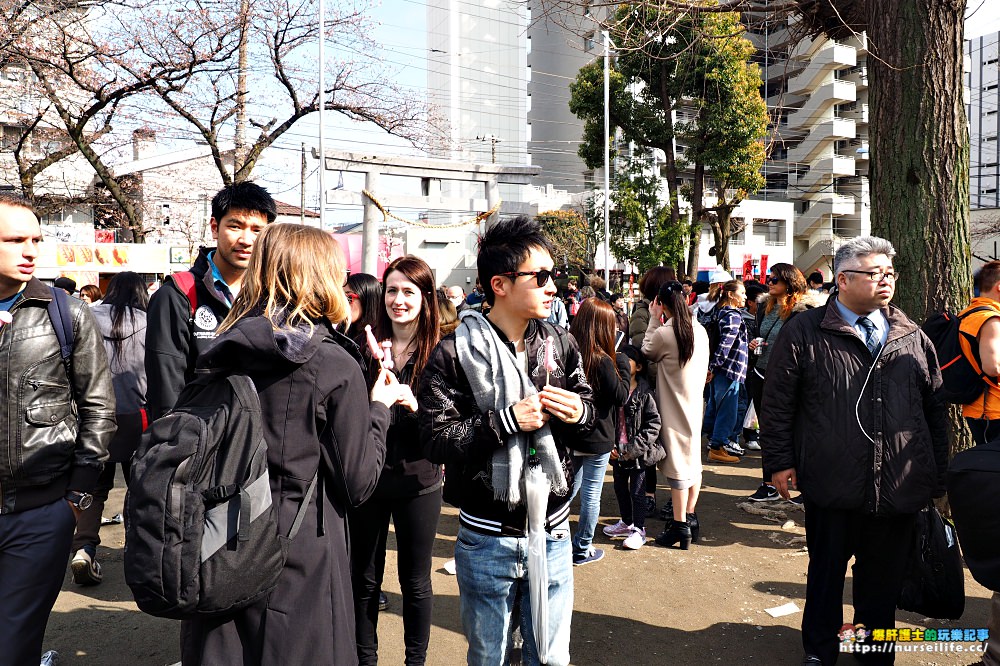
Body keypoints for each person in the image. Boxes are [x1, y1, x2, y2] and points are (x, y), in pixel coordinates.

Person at [180, 223, 409, 665]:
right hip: (298, 550)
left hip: (221, 536)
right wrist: (379, 408)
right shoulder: (330, 362)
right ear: (320, 278)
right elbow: (358, 482)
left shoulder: (222, 348)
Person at [760, 236, 948, 666]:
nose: (886, 281)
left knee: (880, 584)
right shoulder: (805, 332)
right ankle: (820, 650)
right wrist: (779, 461)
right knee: (826, 577)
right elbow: (777, 404)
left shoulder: (911, 335)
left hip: (897, 487)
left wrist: (936, 476)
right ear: (843, 280)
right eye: (875, 273)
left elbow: (933, 410)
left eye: (890, 274)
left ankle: (873, 653)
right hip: (831, 482)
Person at [419, 216, 595, 666]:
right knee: (488, 656)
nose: (552, 286)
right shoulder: (454, 352)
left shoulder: (559, 341)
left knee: (551, 657)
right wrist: (504, 422)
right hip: (487, 538)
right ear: (499, 284)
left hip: (553, 531)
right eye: (540, 277)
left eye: (554, 275)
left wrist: (580, 412)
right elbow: (436, 439)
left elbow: (591, 413)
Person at [0, 193, 116, 665]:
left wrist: (77, 497)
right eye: (14, 239)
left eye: (36, 239)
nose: (30, 250)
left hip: (40, 510)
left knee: (13, 647)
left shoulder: (64, 312)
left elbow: (98, 407)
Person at [351, 255, 442, 666]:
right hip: (368, 477)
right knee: (364, 580)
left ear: (426, 297)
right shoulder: (362, 345)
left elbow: (453, 422)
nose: (398, 300)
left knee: (415, 581)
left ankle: (415, 662)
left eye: (409, 291)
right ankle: (364, 659)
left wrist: (416, 405)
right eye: (391, 290)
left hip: (419, 480)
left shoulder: (442, 351)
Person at [145, 181, 276, 418]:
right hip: (198, 441)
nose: (246, 240)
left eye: (257, 230)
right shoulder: (177, 295)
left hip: (257, 442)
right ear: (215, 227)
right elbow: (165, 393)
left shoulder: (271, 297)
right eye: (235, 226)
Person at [70, 272, 148, 586]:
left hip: (93, 414)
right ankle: (140, 552)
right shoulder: (149, 321)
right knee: (141, 486)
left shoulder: (86, 315)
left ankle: (84, 549)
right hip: (138, 413)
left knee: (94, 487)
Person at [641, 281, 711, 549]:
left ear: (661, 303)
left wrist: (652, 319)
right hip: (695, 403)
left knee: (678, 466)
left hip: (672, 405)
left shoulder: (665, 332)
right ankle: (690, 517)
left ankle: (680, 526)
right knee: (693, 460)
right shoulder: (700, 330)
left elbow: (647, 350)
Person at [956, 260, 1000, 666]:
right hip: (993, 415)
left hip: (983, 412)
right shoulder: (989, 317)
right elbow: (994, 366)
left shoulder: (973, 312)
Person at [744, 264, 816, 502]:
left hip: (790, 379)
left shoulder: (805, 310)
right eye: (768, 278)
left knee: (798, 430)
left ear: (790, 282)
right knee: (767, 431)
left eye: (775, 279)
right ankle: (769, 485)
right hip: (762, 374)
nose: (770, 282)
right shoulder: (765, 305)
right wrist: (754, 343)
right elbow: (760, 333)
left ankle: (806, 486)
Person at [568, 298, 629, 565]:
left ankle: (551, 538)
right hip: (598, 435)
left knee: (568, 489)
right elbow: (621, 396)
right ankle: (581, 548)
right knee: (591, 495)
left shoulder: (569, 352)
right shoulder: (603, 360)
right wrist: (623, 366)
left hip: (570, 433)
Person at [602, 344, 662, 551]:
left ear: (639, 367)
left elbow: (654, 425)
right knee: (619, 487)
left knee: (638, 492)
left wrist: (634, 449)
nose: (622, 366)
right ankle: (626, 523)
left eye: (627, 362)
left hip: (638, 454)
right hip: (618, 451)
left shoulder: (645, 392)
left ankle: (639, 529)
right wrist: (610, 444)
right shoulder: (614, 389)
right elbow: (607, 420)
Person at [627, 265, 674, 516]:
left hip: (666, 386)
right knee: (648, 443)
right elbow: (642, 351)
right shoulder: (642, 314)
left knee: (666, 443)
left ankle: (670, 498)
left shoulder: (673, 314)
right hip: (649, 389)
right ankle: (648, 496)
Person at [704, 280, 749, 463]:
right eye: (742, 293)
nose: (745, 297)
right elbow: (726, 344)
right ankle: (717, 446)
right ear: (731, 294)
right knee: (727, 409)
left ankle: (716, 443)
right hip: (730, 369)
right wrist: (714, 367)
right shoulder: (733, 315)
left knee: (717, 407)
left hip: (721, 369)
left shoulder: (719, 312)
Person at [345, 272, 383, 348]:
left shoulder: (379, 342)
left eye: (348, 298)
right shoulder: (341, 332)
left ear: (367, 299)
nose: (343, 303)